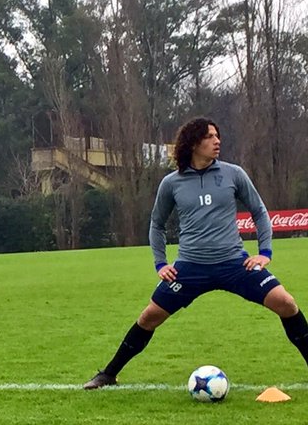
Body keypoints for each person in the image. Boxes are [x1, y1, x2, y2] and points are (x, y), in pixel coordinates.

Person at [84, 117, 308, 389]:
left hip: (234, 264)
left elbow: (259, 212)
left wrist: (264, 252)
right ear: (193, 143)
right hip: (190, 268)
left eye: (218, 135)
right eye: (210, 137)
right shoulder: (171, 183)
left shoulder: (233, 173)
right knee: (148, 317)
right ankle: (108, 374)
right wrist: (160, 263)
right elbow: (157, 224)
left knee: (286, 303)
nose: (217, 141)